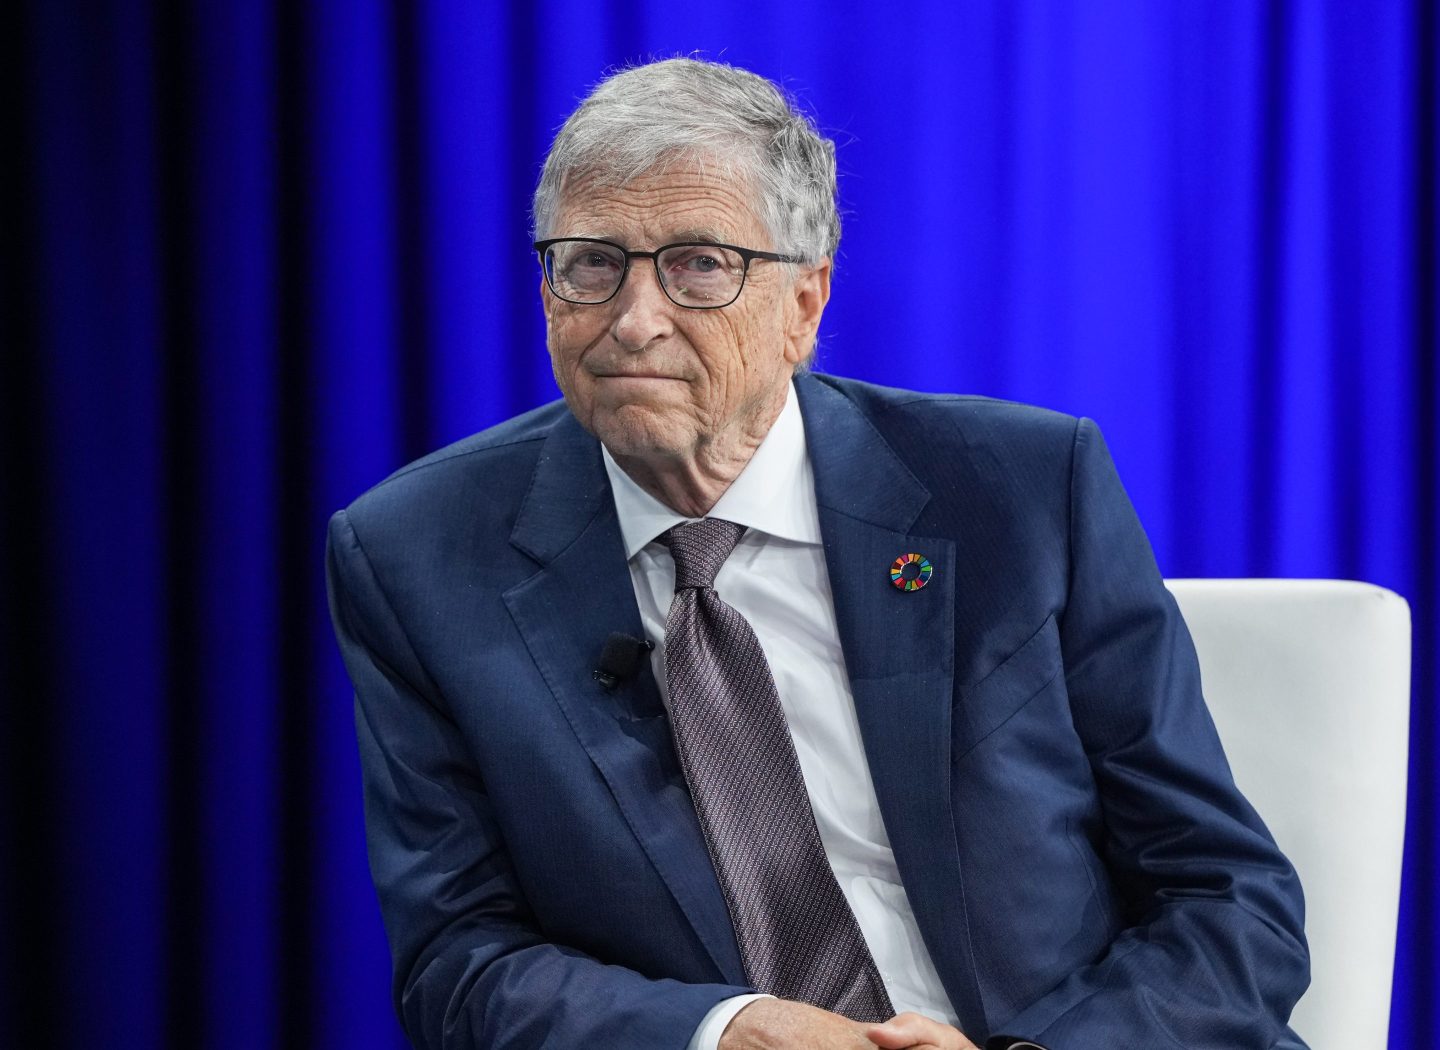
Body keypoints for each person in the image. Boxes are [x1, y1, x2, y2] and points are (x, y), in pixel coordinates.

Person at [326, 58, 1309, 1050]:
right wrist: (726, 1033)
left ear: (805, 303)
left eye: (698, 264)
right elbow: (460, 962)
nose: (634, 319)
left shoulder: (1021, 490)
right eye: (591, 262)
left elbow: (1225, 894)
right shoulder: (419, 557)